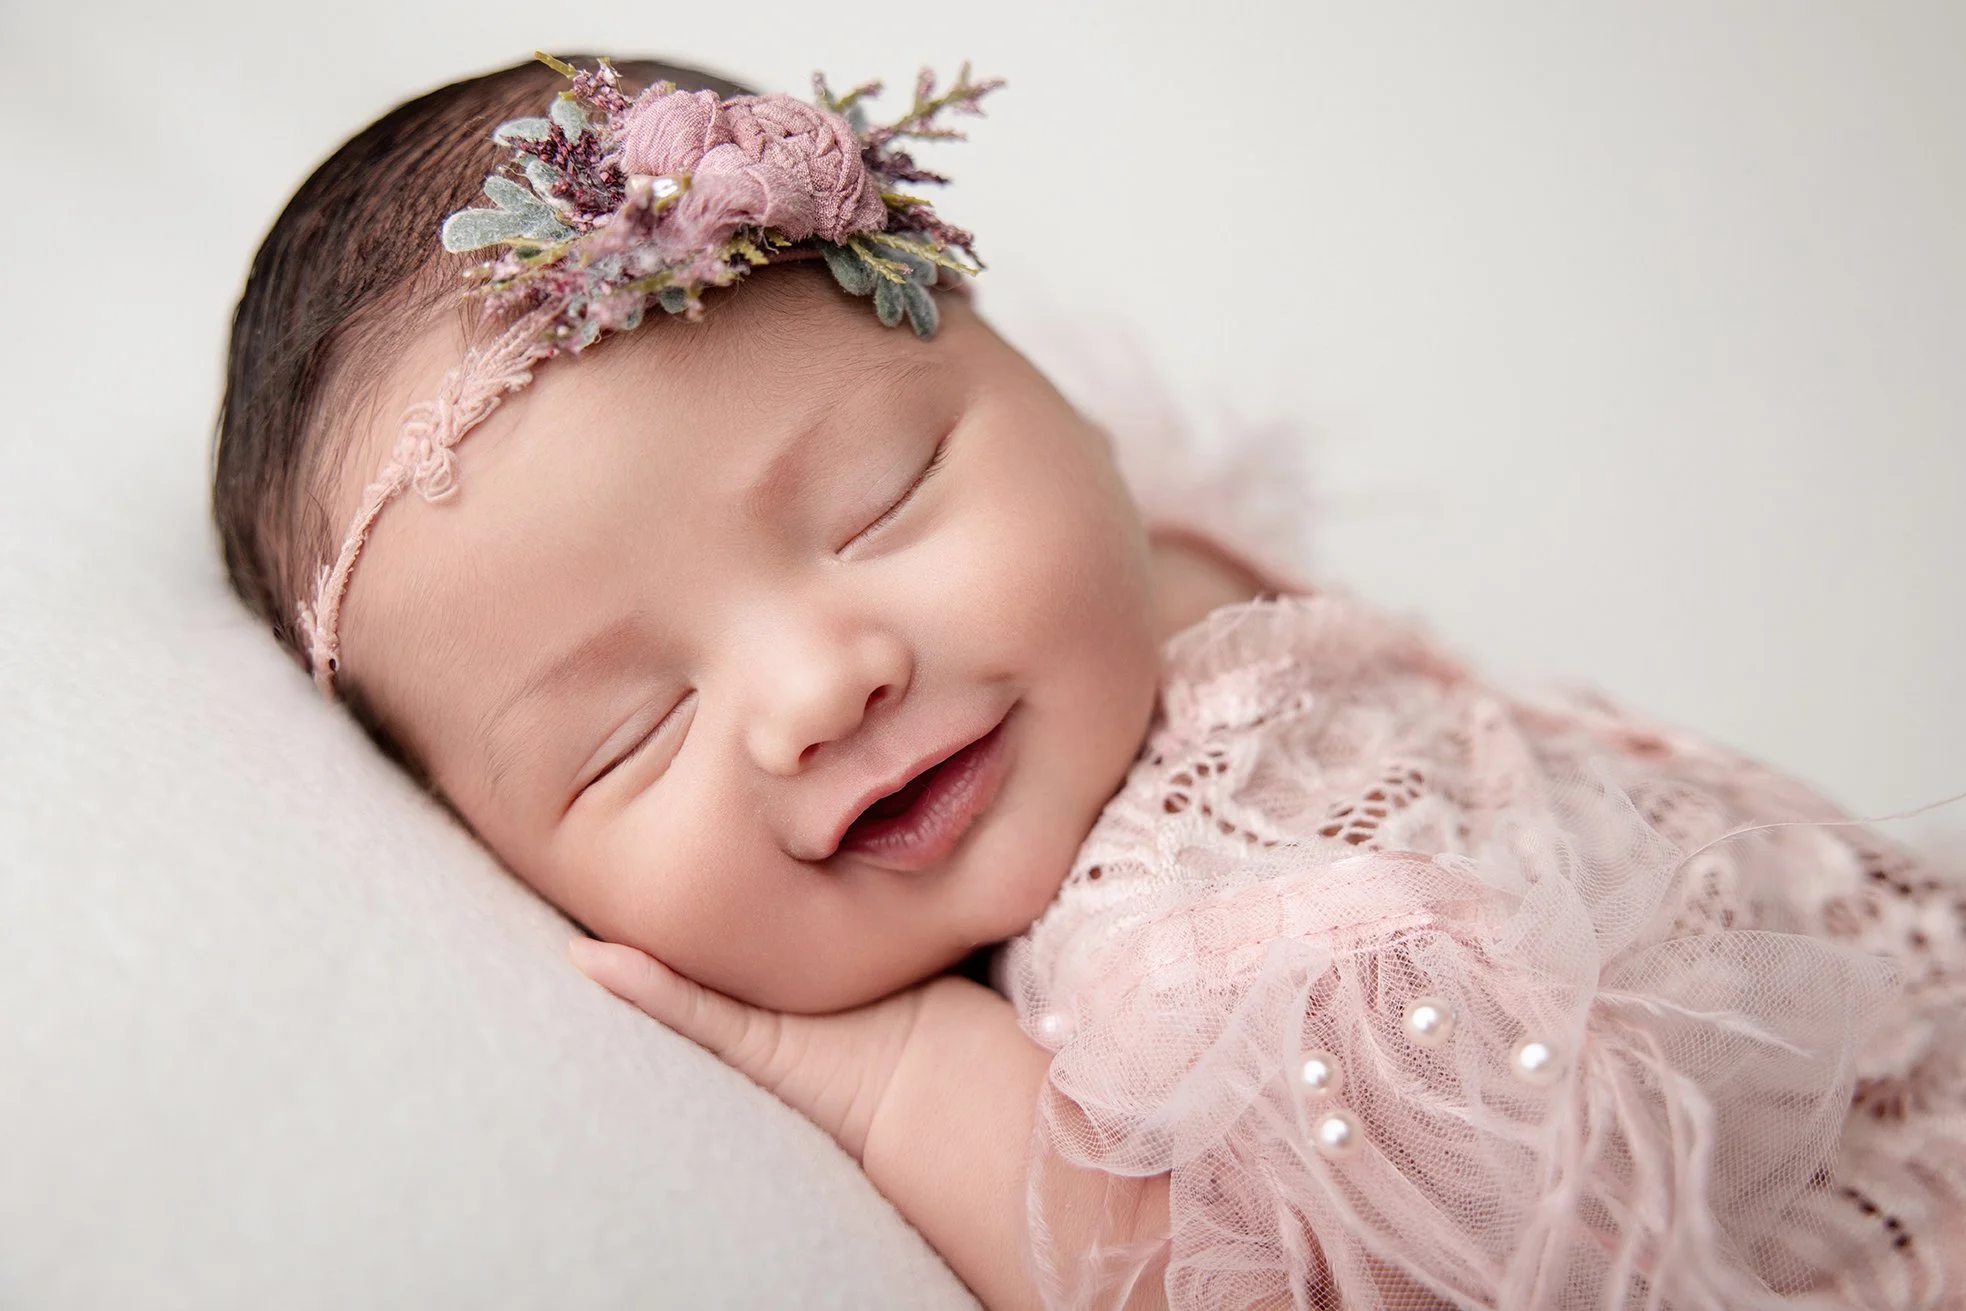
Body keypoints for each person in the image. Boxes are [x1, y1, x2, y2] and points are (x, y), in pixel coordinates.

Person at [211, 52, 1966, 1310]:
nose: (819, 685)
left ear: (1057, 403)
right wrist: (898, 1079)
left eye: (878, 505)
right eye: (632, 734)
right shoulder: (1157, 974)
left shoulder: (1145, 629)